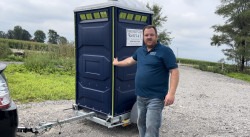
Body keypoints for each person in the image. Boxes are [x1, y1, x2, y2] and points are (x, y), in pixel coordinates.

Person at [113, 25, 179, 137]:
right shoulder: (140, 50)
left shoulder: (165, 51)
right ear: (143, 37)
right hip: (140, 96)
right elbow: (130, 61)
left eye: (151, 35)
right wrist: (117, 63)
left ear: (156, 36)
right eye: (146, 35)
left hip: (156, 98)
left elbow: (175, 71)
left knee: (151, 127)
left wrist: (171, 93)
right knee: (141, 124)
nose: (149, 37)